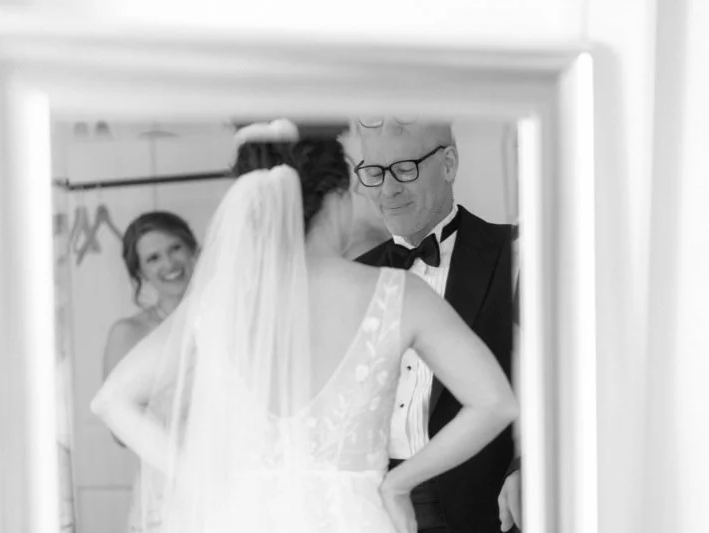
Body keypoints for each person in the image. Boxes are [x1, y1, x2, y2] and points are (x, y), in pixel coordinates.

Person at [91, 120, 517, 533]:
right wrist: (398, 483)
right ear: (335, 198)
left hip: (244, 517)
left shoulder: (221, 300)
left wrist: (201, 479)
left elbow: (112, 401)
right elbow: (495, 402)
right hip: (355, 517)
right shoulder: (395, 291)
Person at [353, 117, 521, 532]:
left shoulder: (515, 252)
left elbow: (556, 387)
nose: (389, 190)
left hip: (488, 503)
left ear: (448, 164)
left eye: (405, 168)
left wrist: (526, 467)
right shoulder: (354, 277)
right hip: (376, 510)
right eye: (375, 173)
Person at [101, 211, 199, 533]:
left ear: (192, 248)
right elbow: (118, 432)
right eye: (153, 258)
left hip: (229, 472)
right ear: (140, 272)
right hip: (164, 486)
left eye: (175, 248)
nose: (169, 264)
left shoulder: (223, 320)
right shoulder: (128, 332)